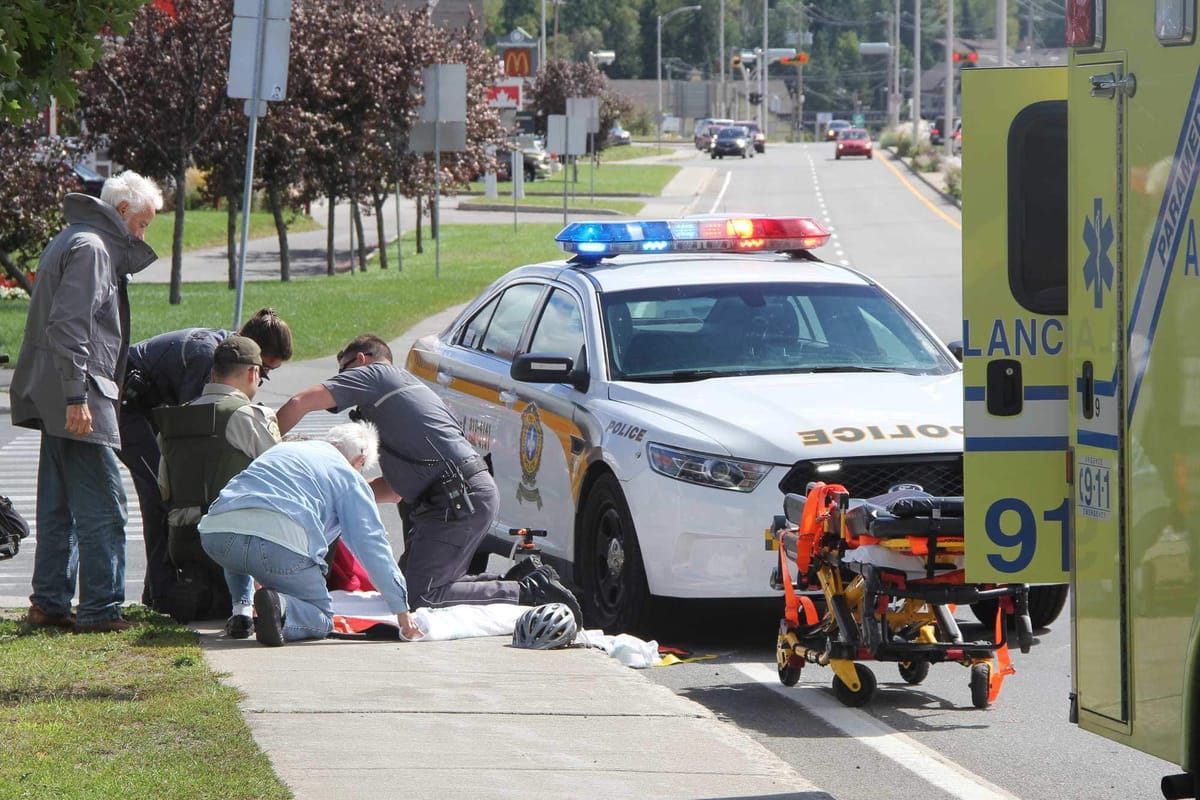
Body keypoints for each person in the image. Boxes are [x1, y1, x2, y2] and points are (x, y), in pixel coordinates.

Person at [275, 334, 583, 624]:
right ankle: (521, 579)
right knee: (408, 588)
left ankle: (529, 591)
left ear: (361, 359)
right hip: (459, 496)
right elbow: (395, 490)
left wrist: (264, 450)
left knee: (423, 595)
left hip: (457, 498)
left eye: (343, 371)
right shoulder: (396, 401)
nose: (341, 382)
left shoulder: (376, 377)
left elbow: (299, 402)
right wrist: (339, 496)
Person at [11, 170, 163, 634]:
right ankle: (100, 609)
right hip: (79, 393)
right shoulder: (94, 249)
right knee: (105, 506)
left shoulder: (72, 238)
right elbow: (70, 326)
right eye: (142, 224)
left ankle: (50, 604)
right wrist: (78, 395)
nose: (143, 234)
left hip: (58, 389)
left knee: (58, 504)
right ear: (121, 212)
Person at [118, 307, 293, 612]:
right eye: (262, 370)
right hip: (126, 407)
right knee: (161, 496)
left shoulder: (225, 351)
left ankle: (170, 587)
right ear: (250, 358)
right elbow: (193, 428)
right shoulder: (207, 360)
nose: (261, 379)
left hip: (152, 404)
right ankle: (162, 594)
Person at [197, 421, 423, 645]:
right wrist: (401, 609)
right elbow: (371, 544)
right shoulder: (348, 476)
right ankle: (281, 607)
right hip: (278, 544)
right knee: (322, 617)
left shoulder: (282, 450)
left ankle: (242, 613)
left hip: (216, 533)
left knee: (241, 528)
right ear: (360, 461)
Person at [156, 336, 281, 633]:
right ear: (253, 373)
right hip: (234, 541)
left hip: (183, 539)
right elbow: (281, 473)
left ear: (212, 374)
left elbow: (164, 488)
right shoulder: (248, 416)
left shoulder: (175, 418)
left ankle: (210, 591)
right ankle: (259, 603)